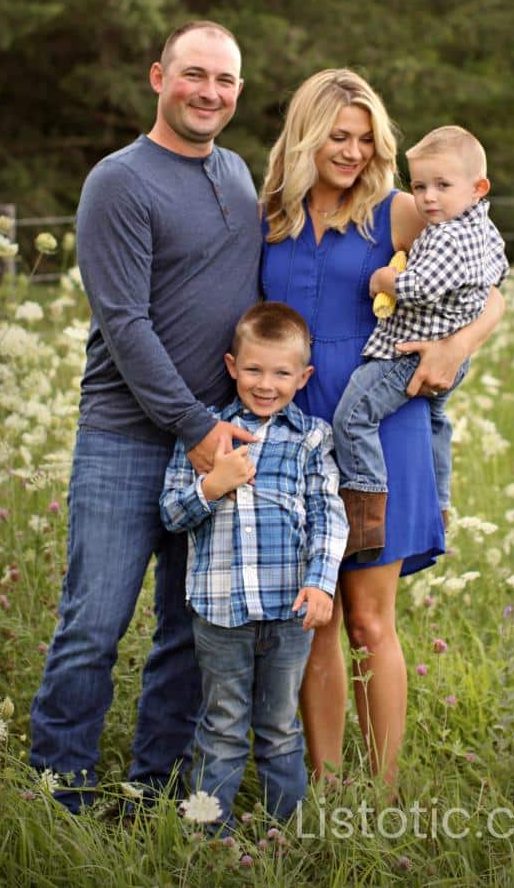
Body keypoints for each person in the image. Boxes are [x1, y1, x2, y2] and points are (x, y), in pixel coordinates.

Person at [29, 21, 262, 811]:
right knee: (93, 627)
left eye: (225, 80)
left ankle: (154, 786)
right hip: (128, 440)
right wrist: (197, 428)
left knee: (187, 634)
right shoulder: (119, 181)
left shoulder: (236, 174)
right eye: (194, 74)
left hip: (212, 443)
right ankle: (60, 790)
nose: (209, 92)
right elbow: (125, 324)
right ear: (158, 76)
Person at [260, 70, 504, 790]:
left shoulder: (399, 211)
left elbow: (490, 288)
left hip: (378, 425)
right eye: (339, 135)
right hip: (300, 426)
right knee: (318, 618)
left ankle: (385, 788)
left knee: (371, 620)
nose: (353, 150)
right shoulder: (269, 211)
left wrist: (455, 348)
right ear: (307, 133)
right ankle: (328, 785)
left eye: (366, 139)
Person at [160, 302, 348, 829]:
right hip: (220, 615)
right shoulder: (207, 437)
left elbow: (328, 517)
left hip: (289, 612)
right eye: (254, 370)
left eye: (282, 373)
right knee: (221, 725)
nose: (266, 384)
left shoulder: (311, 438)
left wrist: (321, 584)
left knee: (280, 727)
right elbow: (171, 514)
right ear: (231, 367)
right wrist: (212, 486)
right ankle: (208, 832)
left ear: (303, 376)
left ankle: (285, 831)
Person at [333, 125, 509, 548]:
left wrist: (385, 279)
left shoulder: (447, 236)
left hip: (409, 354)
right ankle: (440, 504)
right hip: (450, 353)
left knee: (354, 417)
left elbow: (419, 288)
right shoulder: (483, 228)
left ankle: (365, 512)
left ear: (478, 187)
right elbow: (499, 272)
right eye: (419, 185)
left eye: (442, 185)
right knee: (435, 422)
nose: (428, 197)